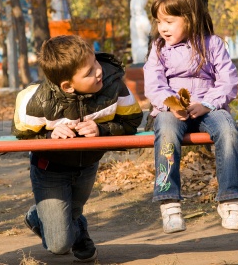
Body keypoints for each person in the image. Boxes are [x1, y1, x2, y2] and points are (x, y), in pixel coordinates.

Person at [12, 35, 143, 261]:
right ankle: (38, 216)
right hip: (49, 169)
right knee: (59, 245)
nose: (99, 71)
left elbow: (132, 122)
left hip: (88, 166)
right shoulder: (36, 100)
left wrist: (101, 130)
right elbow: (23, 134)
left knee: (73, 211)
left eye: (96, 63)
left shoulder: (113, 86)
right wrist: (49, 135)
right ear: (67, 86)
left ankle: (75, 228)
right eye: (89, 72)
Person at [143, 0, 238, 234]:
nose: (162, 28)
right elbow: (154, 84)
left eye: (168, 21)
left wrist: (208, 104)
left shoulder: (212, 44)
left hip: (208, 107)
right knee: (165, 129)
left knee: (228, 129)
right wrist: (172, 104)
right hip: (172, 111)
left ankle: (230, 200)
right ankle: (170, 204)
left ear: (189, 18)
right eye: (159, 22)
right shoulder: (158, 49)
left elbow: (228, 81)